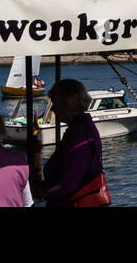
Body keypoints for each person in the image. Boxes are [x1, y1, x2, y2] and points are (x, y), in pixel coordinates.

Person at [41, 79, 105, 207]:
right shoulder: (79, 129)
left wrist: (42, 192)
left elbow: (70, 182)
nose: (52, 108)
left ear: (67, 104)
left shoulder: (81, 134)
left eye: (55, 103)